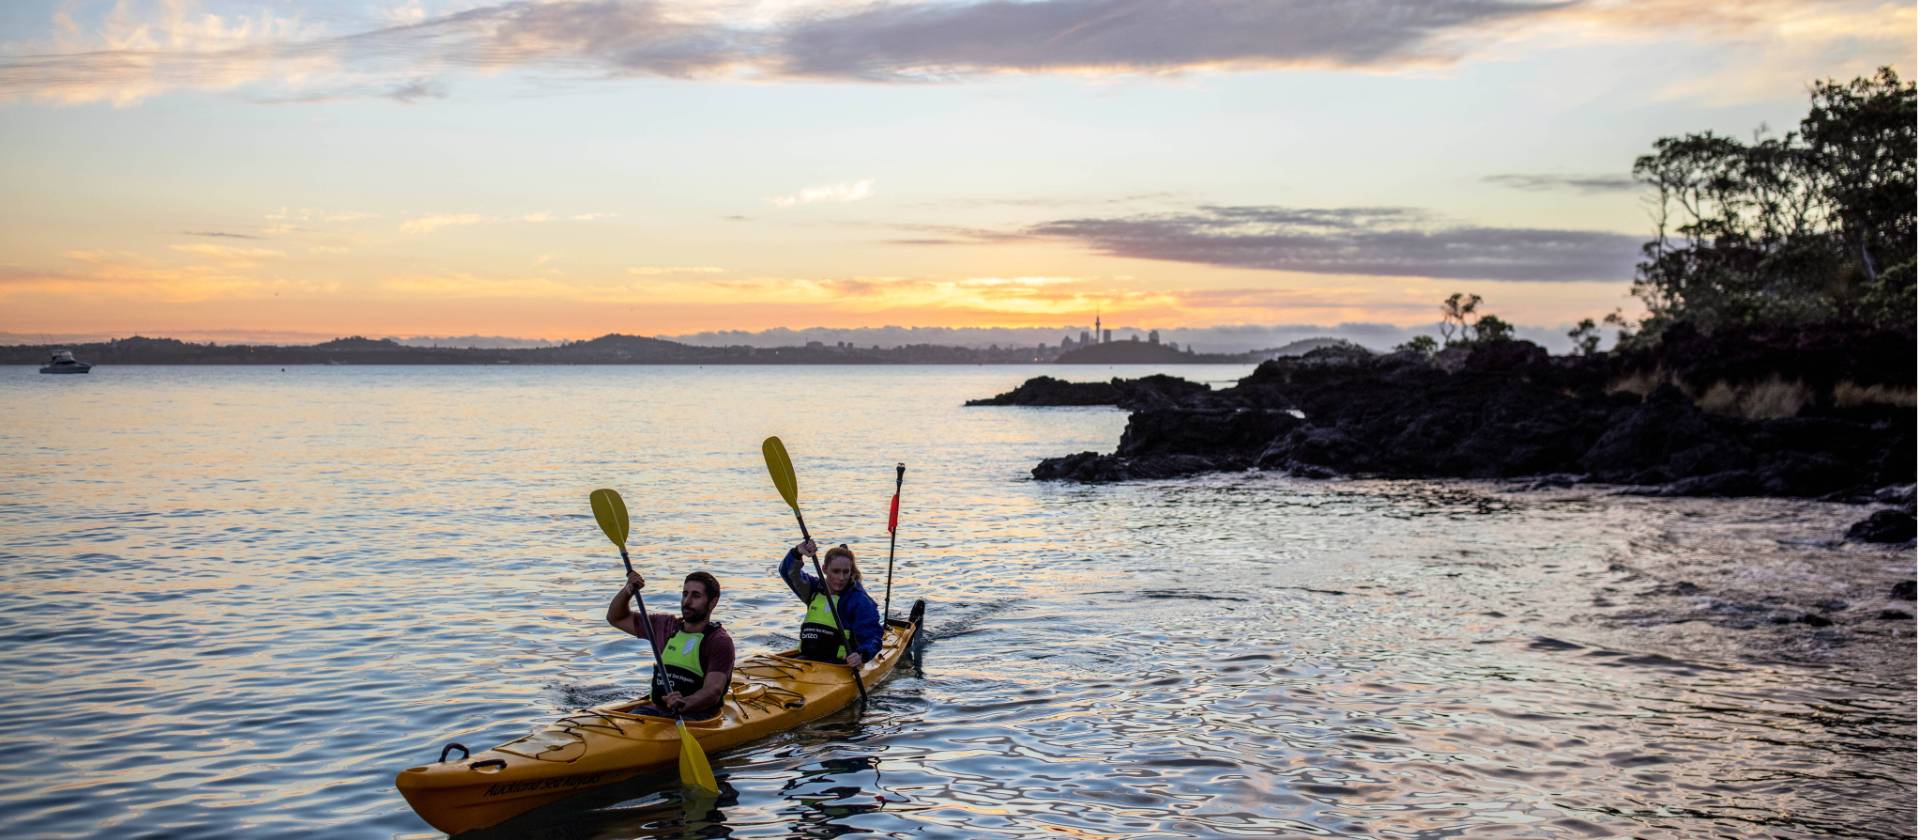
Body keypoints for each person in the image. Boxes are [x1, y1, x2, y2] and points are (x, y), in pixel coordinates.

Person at [606, 569, 735, 720]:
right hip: (656, 712)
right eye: (685, 594)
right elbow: (615, 618)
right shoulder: (665, 626)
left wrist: (684, 703)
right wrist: (629, 590)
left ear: (712, 602)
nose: (687, 601)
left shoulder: (719, 641)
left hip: (696, 717)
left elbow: (713, 691)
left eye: (696, 596)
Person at [780, 539, 882, 669]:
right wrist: (797, 552)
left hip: (839, 666)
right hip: (806, 661)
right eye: (836, 571)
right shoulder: (812, 589)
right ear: (824, 569)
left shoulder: (859, 601)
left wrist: (861, 655)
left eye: (846, 572)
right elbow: (787, 571)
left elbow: (873, 637)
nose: (841, 578)